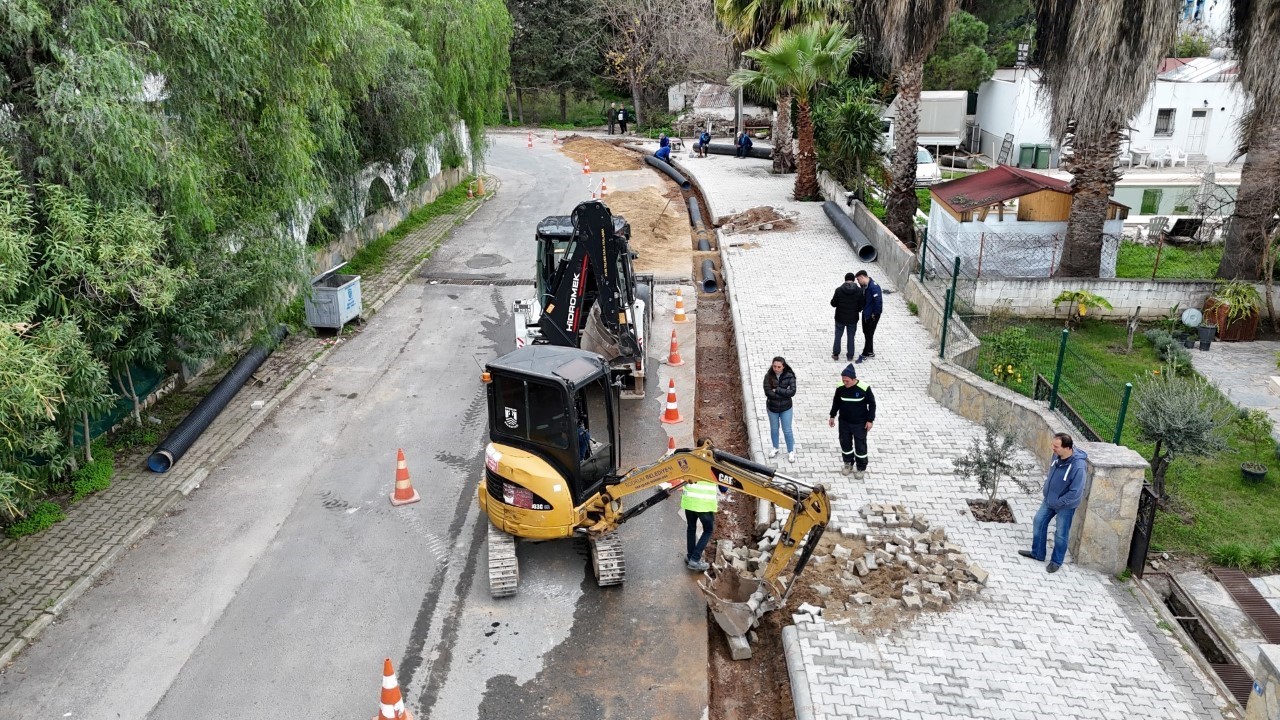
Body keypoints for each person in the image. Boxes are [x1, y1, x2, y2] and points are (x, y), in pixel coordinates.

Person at [1019, 433, 1088, 573]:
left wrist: (1059, 502)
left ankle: (1056, 561)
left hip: (1065, 506)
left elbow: (1075, 492)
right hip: (1049, 500)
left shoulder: (1078, 467)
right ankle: (1037, 553)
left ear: (1067, 448)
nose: (1053, 449)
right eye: (1053, 445)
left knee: (1061, 534)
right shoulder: (1056, 456)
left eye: (1056, 446)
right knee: (1038, 521)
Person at [828, 364, 875, 478]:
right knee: (845, 443)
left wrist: (870, 420)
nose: (845, 383)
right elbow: (836, 402)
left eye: (847, 381)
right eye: (843, 380)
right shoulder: (840, 387)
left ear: (854, 379)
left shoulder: (864, 388)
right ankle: (848, 463)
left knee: (860, 446)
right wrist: (832, 416)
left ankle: (861, 467)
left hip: (860, 423)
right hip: (844, 422)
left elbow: (872, 404)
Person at [679, 479, 725, 571]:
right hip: (704, 503)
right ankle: (695, 559)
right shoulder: (714, 465)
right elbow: (723, 487)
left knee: (691, 528)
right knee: (708, 530)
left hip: (689, 501)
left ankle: (690, 556)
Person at [763, 356, 797, 463]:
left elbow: (792, 392)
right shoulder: (768, 376)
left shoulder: (790, 376)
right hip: (772, 407)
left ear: (783, 367)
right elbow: (768, 392)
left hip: (786, 408)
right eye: (774, 366)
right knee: (774, 428)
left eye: (779, 367)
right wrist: (783, 393)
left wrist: (777, 389)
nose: (776, 369)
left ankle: (790, 451)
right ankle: (775, 447)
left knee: (787, 430)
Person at [830, 272, 864, 362]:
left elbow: (833, 304)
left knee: (838, 335)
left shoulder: (839, 290)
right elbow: (861, 305)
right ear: (853, 280)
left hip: (840, 318)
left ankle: (836, 354)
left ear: (845, 280)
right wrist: (857, 310)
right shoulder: (859, 291)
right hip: (853, 318)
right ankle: (850, 356)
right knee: (851, 336)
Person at [855, 270, 882, 363]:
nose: (858, 282)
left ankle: (864, 354)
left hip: (872, 316)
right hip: (866, 314)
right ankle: (870, 351)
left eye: (858, 280)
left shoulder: (874, 287)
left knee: (869, 334)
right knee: (866, 332)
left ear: (862, 277)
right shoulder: (864, 286)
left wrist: (874, 314)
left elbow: (878, 302)